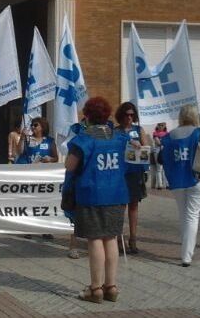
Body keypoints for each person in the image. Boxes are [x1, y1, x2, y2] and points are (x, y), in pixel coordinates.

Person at [64, 97, 130, 303]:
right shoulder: (119, 138)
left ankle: (95, 288)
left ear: (88, 116)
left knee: (95, 240)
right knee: (111, 238)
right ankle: (111, 286)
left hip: (92, 195)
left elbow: (69, 166)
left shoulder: (83, 139)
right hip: (117, 194)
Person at [160, 104, 200, 267]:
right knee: (192, 215)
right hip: (197, 178)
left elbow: (163, 157)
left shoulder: (171, 135)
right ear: (196, 116)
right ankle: (186, 256)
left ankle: (185, 249)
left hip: (178, 180)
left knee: (183, 215)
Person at [114, 102, 151, 254]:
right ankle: (118, 238)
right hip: (121, 173)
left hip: (135, 172)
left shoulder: (138, 130)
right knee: (120, 207)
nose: (129, 117)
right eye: (126, 114)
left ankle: (133, 238)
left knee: (134, 206)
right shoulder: (116, 131)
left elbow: (147, 149)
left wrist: (140, 147)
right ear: (121, 115)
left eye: (131, 114)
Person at [151, 122, 169, 190]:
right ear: (157, 126)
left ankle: (167, 184)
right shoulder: (155, 133)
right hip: (158, 151)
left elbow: (168, 142)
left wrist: (164, 143)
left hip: (165, 150)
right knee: (159, 168)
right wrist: (163, 143)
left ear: (164, 126)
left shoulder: (167, 133)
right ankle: (160, 185)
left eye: (162, 125)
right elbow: (157, 142)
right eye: (159, 125)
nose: (161, 126)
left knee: (165, 168)